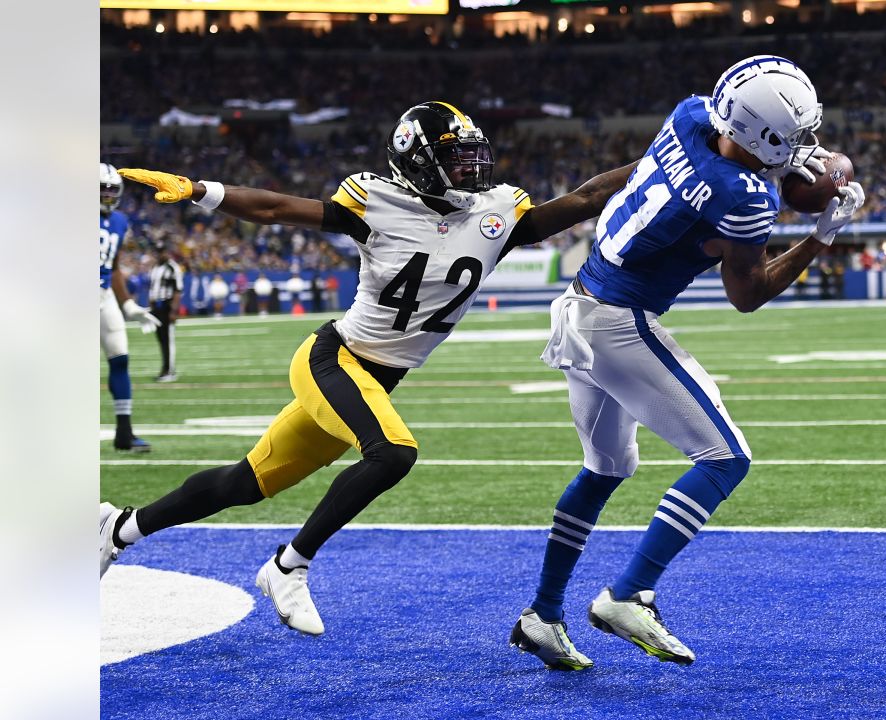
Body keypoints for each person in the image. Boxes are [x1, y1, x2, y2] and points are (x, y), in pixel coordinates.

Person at [99, 102, 639, 639]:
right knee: (393, 453)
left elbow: (589, 197)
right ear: (417, 162)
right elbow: (276, 209)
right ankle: (289, 565)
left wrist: (663, 161)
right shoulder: (376, 201)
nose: (473, 168)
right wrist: (202, 190)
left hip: (375, 379)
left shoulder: (497, 213)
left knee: (244, 482)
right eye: (456, 157)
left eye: (474, 154)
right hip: (333, 360)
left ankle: (118, 528)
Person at [510, 56, 865, 670]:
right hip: (620, 323)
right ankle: (628, 596)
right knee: (726, 458)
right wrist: (821, 236)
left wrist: (788, 166)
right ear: (765, 135)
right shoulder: (743, 195)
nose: (809, 145)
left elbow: (615, 183)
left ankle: (542, 613)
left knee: (605, 469)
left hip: (575, 306)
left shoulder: (689, 115)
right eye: (797, 134)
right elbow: (747, 294)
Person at [99, 162, 161, 452]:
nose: (108, 195)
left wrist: (128, 304)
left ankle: (124, 432)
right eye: (102, 189)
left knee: (120, 359)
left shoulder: (120, 221)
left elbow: (112, 268)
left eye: (113, 189)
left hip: (102, 294)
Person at [147, 241, 184, 382]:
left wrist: (174, 310)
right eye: (158, 251)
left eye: (162, 251)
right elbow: (152, 289)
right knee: (161, 339)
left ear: (167, 252)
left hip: (167, 305)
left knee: (168, 339)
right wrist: (150, 308)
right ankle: (164, 369)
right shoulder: (155, 267)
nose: (160, 254)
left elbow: (178, 290)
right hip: (156, 307)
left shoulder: (172, 267)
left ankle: (170, 371)